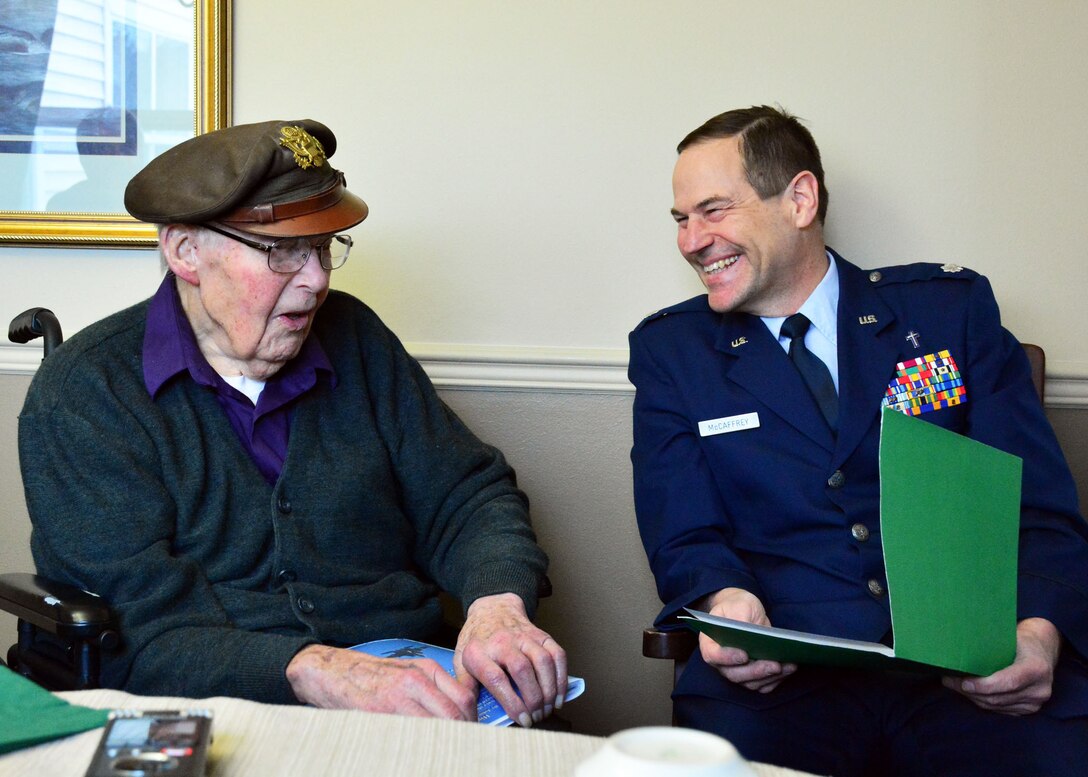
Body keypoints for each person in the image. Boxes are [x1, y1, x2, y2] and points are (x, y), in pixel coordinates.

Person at [19, 119, 567, 728]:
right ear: (185, 252)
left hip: (414, 694)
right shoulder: (86, 392)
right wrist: (313, 670)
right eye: (282, 251)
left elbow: (465, 496)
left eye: (324, 247)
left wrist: (496, 605)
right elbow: (139, 630)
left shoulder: (356, 338)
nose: (318, 278)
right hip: (221, 709)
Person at [629, 105, 1088, 775]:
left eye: (713, 211)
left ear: (800, 200)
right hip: (781, 683)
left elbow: (1040, 510)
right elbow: (684, 532)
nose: (692, 240)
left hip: (967, 671)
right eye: (681, 219)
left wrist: (1038, 634)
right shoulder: (672, 352)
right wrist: (725, 603)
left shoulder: (947, 312)